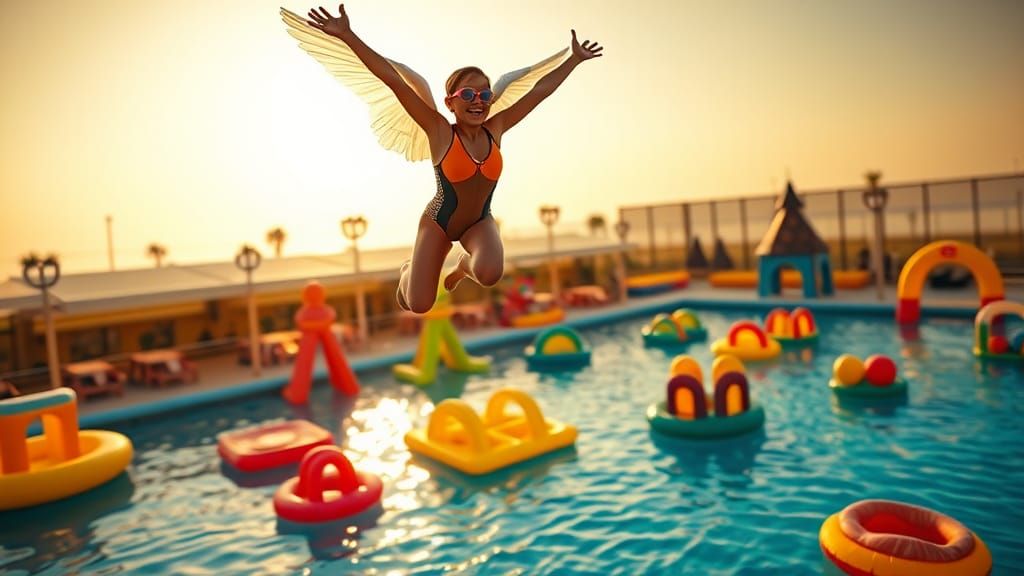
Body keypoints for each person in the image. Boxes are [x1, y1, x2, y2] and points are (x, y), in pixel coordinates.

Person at [296, 5, 604, 313]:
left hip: (479, 222)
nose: (479, 102)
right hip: (439, 223)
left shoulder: (495, 129)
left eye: (485, 95)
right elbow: (393, 79)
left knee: (490, 272)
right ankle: (409, 270)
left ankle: (465, 265)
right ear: (450, 103)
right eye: (468, 95)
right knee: (417, 304)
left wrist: (574, 60)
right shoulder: (439, 131)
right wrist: (348, 35)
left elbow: (539, 92)